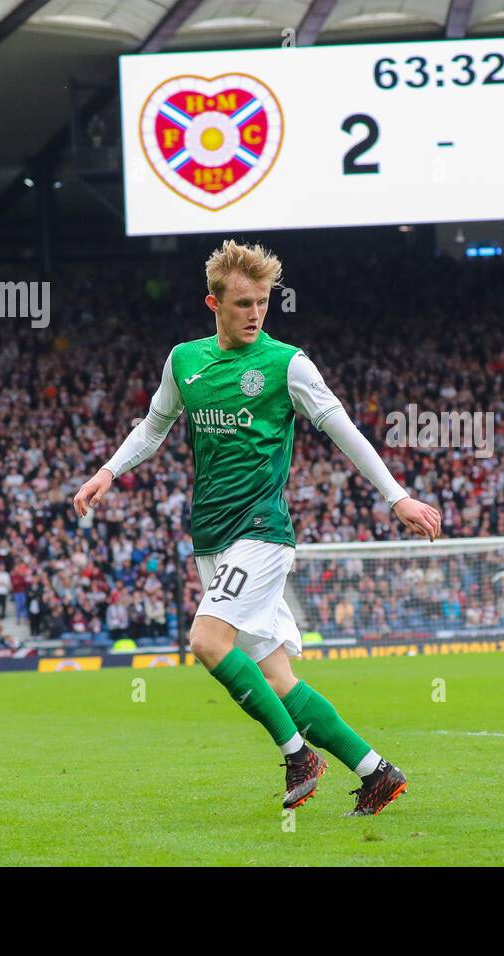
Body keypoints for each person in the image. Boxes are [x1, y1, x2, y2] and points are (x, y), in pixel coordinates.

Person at [73, 240, 441, 817]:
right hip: (212, 538)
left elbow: (343, 429)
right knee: (278, 679)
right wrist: (107, 472)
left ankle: (298, 755)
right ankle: (377, 773)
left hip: (263, 531)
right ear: (212, 303)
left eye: (263, 302)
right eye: (242, 303)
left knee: (206, 642)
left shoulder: (287, 364)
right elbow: (153, 426)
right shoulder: (184, 362)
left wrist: (398, 497)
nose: (255, 313)